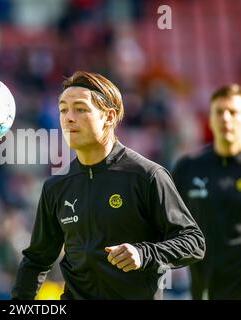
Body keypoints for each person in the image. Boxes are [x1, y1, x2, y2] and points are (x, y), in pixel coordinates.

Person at [11, 71, 205, 300]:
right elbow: (37, 260)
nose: (68, 118)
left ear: (109, 116)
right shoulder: (56, 186)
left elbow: (193, 242)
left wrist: (144, 253)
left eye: (80, 109)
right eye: (63, 109)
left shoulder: (147, 176)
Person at [172, 84, 241, 300]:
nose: (226, 119)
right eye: (219, 112)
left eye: (233, 112)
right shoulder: (188, 167)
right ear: (209, 119)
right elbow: (166, 220)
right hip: (203, 284)